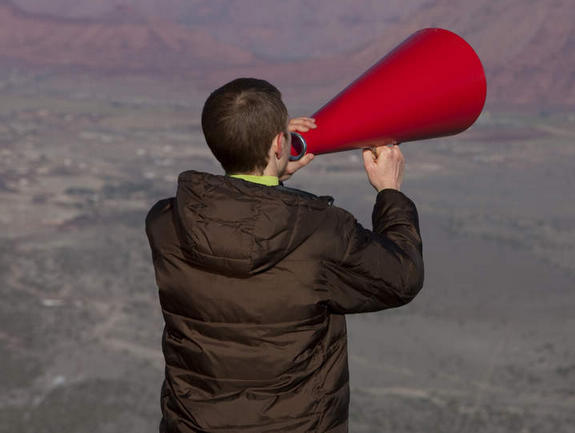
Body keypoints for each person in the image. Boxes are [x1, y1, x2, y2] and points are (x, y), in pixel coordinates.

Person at [145, 77, 423, 433]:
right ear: (281, 143)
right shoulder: (321, 232)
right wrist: (390, 192)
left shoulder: (167, 222)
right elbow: (403, 277)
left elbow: (239, 219)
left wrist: (267, 165)